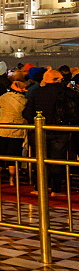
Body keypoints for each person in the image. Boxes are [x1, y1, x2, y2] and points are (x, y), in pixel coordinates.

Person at [23, 68, 79, 196]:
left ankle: (40, 187)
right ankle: (55, 189)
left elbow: (27, 113)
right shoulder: (67, 92)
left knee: (41, 159)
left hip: (40, 130)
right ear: (59, 79)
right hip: (60, 130)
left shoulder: (36, 92)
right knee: (57, 160)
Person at [0, 80, 28, 186]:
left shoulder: (3, 98)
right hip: (18, 130)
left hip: (2, 129)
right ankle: (12, 180)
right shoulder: (25, 100)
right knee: (13, 156)